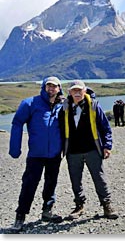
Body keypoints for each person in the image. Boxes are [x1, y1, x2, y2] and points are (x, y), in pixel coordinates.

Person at [9, 76, 64, 232]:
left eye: (55, 86)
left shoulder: (63, 105)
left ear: (59, 88)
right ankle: (20, 216)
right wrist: (15, 148)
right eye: (49, 86)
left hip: (54, 154)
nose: (51, 89)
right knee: (29, 184)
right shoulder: (30, 103)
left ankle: (47, 211)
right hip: (36, 154)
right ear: (44, 87)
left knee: (51, 183)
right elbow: (17, 123)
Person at [59, 79, 118, 220]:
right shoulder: (65, 108)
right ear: (70, 92)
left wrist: (107, 146)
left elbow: (105, 128)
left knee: (99, 178)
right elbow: (60, 129)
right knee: (75, 180)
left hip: (93, 149)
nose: (77, 93)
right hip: (73, 151)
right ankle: (79, 206)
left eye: (80, 90)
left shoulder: (94, 106)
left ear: (85, 91)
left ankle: (106, 205)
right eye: (74, 90)